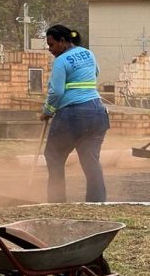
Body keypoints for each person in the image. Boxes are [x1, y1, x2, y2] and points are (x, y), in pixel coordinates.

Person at [42, 25, 110, 203]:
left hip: (73, 115)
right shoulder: (88, 53)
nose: (50, 49)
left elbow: (56, 92)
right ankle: (97, 202)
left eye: (52, 45)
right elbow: (96, 72)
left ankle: (56, 201)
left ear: (63, 41)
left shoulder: (61, 61)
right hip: (97, 113)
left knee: (54, 156)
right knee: (90, 160)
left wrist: (47, 111)